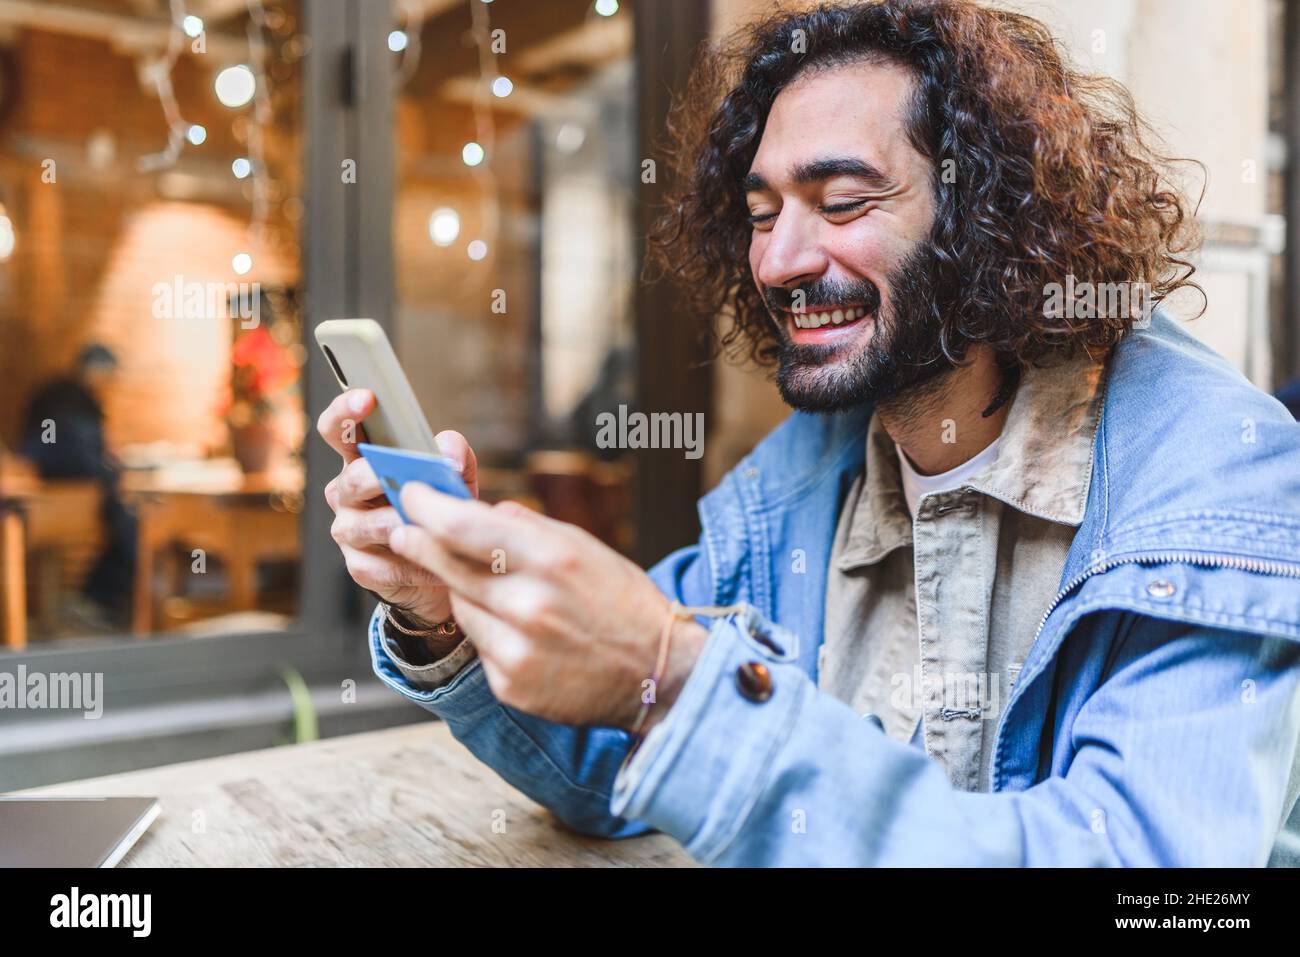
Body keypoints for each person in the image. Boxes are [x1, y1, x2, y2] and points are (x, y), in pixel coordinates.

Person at [318, 0, 1300, 865]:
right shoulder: (803, 472)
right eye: (758, 212)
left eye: (841, 202)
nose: (781, 259)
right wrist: (440, 608)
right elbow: (610, 766)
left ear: (988, 214)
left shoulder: (1218, 476)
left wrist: (682, 678)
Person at [22, 343, 136, 629]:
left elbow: (38, 451)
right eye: (108, 376)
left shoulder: (55, 396)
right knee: (131, 525)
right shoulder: (75, 403)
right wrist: (111, 472)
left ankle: (92, 601)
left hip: (52, 492)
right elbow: (79, 457)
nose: (108, 384)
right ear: (96, 371)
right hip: (72, 497)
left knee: (128, 524)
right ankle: (97, 600)